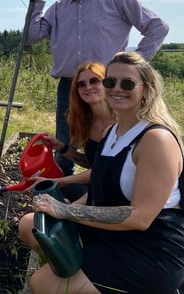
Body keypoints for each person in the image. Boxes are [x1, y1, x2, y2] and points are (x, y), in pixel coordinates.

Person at [27, 51, 184, 294]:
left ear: (146, 89)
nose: (116, 88)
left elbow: (140, 217)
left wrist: (66, 211)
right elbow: (96, 186)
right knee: (31, 227)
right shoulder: (111, 133)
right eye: (110, 82)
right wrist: (60, 207)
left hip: (151, 249)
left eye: (127, 83)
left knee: (43, 283)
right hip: (112, 235)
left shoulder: (156, 139)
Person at [26, 0, 169, 177]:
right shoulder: (59, 8)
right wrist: (37, 0)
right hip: (70, 86)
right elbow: (30, 37)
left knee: (115, 140)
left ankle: (114, 187)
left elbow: (158, 27)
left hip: (109, 86)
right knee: (65, 143)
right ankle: (64, 193)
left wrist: (134, 67)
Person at [18, 61, 114, 247]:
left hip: (112, 192)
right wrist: (61, 148)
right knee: (58, 191)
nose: (88, 87)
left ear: (107, 83)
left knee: (60, 189)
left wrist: (62, 183)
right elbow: (92, 164)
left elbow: (106, 173)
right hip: (98, 186)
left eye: (94, 81)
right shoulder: (86, 122)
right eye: (81, 84)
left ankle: (74, 237)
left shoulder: (119, 121)